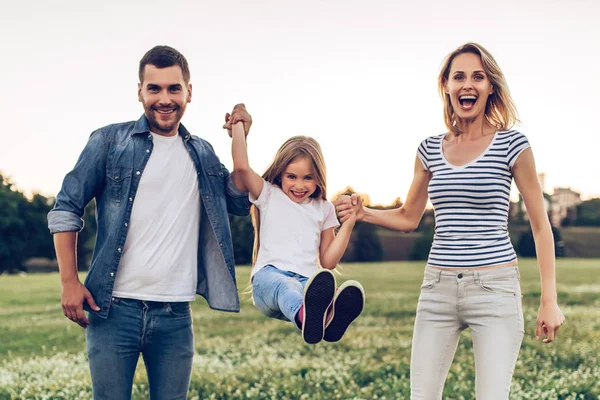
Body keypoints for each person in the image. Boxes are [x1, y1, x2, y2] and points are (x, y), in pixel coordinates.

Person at [334, 42, 565, 399]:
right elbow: (409, 217)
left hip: (495, 289)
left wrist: (549, 300)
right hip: (437, 291)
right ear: (446, 85)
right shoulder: (428, 149)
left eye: (478, 76)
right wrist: (364, 213)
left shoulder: (512, 145)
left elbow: (540, 225)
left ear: (491, 87)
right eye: (459, 76)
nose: (467, 84)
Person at [47, 45, 252, 400]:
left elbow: (237, 200)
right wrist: (69, 280)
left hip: (175, 316)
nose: (164, 98)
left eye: (174, 88)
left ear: (189, 92)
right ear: (140, 91)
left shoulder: (202, 152)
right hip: (112, 312)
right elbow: (66, 206)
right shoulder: (109, 141)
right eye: (154, 88)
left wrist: (239, 135)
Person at [225, 118, 364, 344]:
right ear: (280, 174)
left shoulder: (324, 209)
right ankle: (308, 316)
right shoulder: (268, 193)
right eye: (292, 176)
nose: (300, 186)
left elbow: (328, 261)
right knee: (288, 286)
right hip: (269, 282)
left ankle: (325, 323)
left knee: (321, 288)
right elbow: (241, 167)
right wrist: (239, 125)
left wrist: (349, 222)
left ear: (318, 177)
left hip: (306, 285)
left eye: (308, 178)